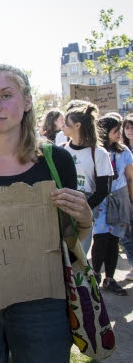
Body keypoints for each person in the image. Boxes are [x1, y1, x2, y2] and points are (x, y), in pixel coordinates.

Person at [0, 64, 93, 363]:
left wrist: (85, 221)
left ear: (27, 102)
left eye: (5, 95)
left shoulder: (57, 161)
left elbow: (70, 244)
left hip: (41, 304)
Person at [61, 102, 113, 254]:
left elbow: (104, 189)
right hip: (62, 207)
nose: (62, 125)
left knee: (79, 257)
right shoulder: (61, 150)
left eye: (66, 123)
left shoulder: (99, 153)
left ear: (77, 126)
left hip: (84, 208)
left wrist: (83, 210)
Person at [91, 115, 130, 295]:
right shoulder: (95, 151)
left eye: (120, 131)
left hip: (119, 198)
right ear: (105, 132)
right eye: (116, 131)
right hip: (101, 200)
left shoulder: (124, 152)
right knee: (100, 239)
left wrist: (130, 201)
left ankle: (110, 279)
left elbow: (130, 178)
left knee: (114, 241)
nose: (119, 134)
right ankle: (95, 275)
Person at [121, 113, 133, 281]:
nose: (130, 130)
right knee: (125, 235)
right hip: (125, 196)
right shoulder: (121, 148)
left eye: (132, 127)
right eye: (127, 127)